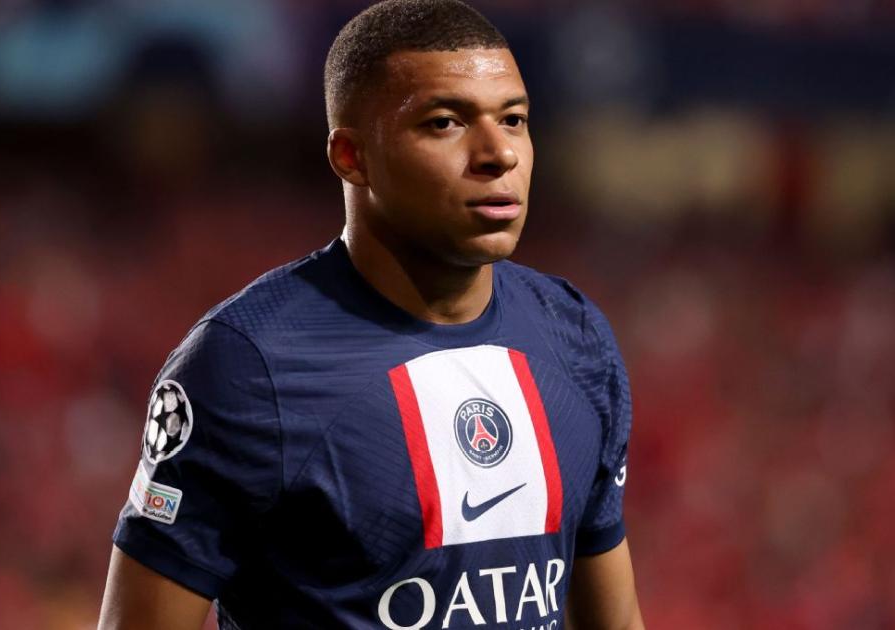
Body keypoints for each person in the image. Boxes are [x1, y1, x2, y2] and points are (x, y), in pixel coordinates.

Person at [97, 0, 643, 628]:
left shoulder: (575, 337)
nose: (499, 153)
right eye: (445, 123)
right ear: (351, 157)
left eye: (513, 119)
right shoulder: (247, 365)